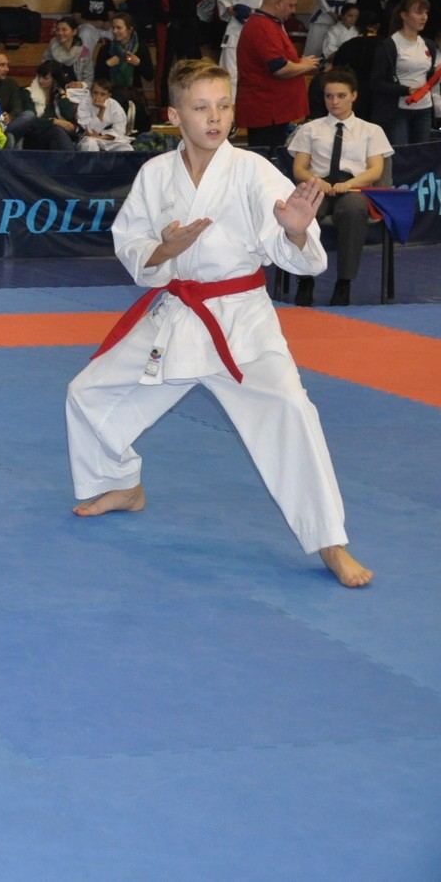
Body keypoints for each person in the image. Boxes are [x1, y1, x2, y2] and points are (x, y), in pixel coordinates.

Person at [65, 58, 371, 589]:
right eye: (201, 107)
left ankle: (330, 541)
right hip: (176, 314)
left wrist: (295, 232)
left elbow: (295, 250)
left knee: (291, 410)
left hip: (240, 319)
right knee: (88, 392)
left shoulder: (253, 171)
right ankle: (122, 484)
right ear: (174, 116)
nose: (215, 118)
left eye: (224, 106)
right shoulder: (155, 174)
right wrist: (166, 249)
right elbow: (131, 242)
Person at [286, 68, 391, 308]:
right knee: (304, 212)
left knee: (352, 211)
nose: (334, 102)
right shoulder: (310, 129)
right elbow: (299, 169)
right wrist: (316, 181)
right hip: (317, 186)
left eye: (341, 96)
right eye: (329, 96)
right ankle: (305, 278)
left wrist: (349, 184)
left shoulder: (371, 130)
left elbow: (376, 170)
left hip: (354, 188)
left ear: (354, 95)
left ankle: (344, 282)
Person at [234, 0, 318, 148]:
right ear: (278, 3)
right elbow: (279, 68)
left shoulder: (267, 24)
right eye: (291, 5)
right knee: (267, 155)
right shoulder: (263, 26)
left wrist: (298, 64)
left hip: (272, 110)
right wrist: (305, 65)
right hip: (267, 110)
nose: (293, 10)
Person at [370, 0, 436, 148]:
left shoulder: (429, 45)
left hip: (424, 109)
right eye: (419, 12)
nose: (424, 17)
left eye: (426, 13)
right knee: (400, 154)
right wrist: (406, 90)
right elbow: (376, 83)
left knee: (421, 154)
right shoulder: (388, 45)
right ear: (404, 16)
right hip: (398, 112)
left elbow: (427, 76)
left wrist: (436, 74)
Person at [94, 10, 151, 133]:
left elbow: (149, 75)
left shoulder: (140, 48)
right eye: (113, 28)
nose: (115, 31)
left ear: (129, 29)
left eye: (119, 28)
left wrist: (138, 63)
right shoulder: (106, 49)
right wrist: (107, 65)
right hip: (111, 93)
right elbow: (98, 78)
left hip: (133, 93)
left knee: (135, 112)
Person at [28, 59, 84, 147]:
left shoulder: (57, 95)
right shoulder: (29, 93)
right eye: (39, 76)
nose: (40, 80)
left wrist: (62, 95)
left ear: (54, 79)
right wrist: (55, 121)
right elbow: (31, 121)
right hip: (35, 135)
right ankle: (72, 156)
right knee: (57, 130)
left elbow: (69, 115)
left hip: (54, 137)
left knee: (56, 142)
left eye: (45, 78)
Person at [76, 78, 133, 152]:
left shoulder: (114, 105)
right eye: (95, 93)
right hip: (88, 139)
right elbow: (90, 132)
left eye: (102, 94)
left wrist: (102, 137)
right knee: (91, 143)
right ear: (91, 92)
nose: (98, 97)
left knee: (126, 148)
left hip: (107, 138)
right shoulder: (84, 104)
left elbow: (120, 129)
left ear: (109, 95)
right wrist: (101, 110)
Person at [44, 14, 95, 85]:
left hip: (77, 89)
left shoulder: (83, 52)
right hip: (55, 87)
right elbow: (44, 70)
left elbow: (89, 77)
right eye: (58, 30)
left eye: (64, 30)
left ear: (74, 32)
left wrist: (81, 85)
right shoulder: (52, 47)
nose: (60, 33)